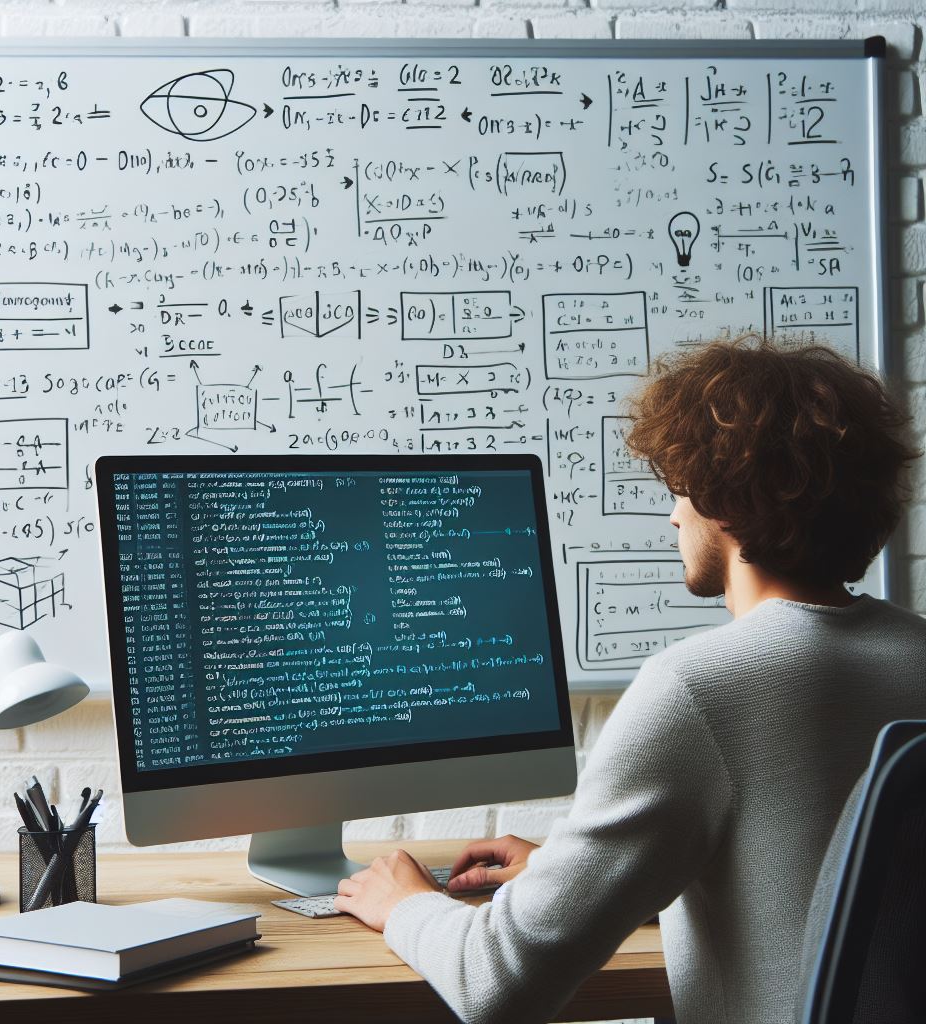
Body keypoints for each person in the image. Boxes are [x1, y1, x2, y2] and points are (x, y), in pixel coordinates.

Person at [334, 335, 926, 1024]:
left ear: (726, 505)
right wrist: (575, 875)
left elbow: (498, 983)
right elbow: (813, 876)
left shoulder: (702, 688)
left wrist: (405, 904)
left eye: (681, 490)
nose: (674, 513)